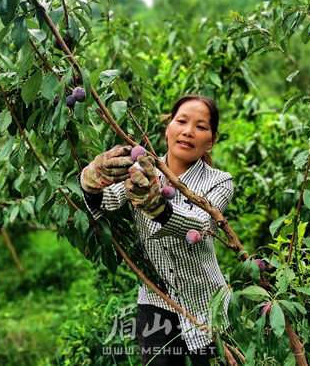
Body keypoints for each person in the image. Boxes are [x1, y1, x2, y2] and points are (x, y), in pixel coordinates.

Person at [79, 94, 234, 366]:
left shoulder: (219, 181)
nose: (188, 131)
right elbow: (106, 201)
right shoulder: (140, 170)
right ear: (168, 128)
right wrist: (90, 184)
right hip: (156, 297)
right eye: (182, 121)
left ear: (211, 140)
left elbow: (198, 223)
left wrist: (158, 207)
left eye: (201, 126)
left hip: (207, 301)